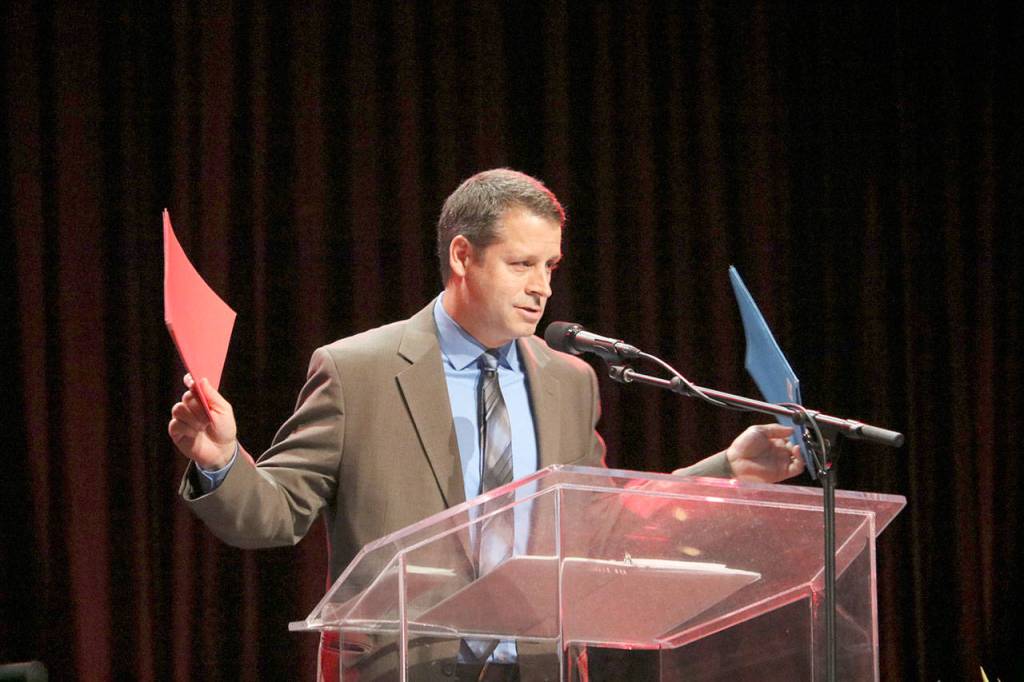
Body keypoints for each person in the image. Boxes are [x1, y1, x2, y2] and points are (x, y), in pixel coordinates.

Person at [168, 169, 805, 680]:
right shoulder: (356, 370)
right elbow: (275, 514)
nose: (542, 288)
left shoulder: (568, 380)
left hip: (540, 664)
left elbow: (601, 522)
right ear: (463, 256)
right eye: (522, 264)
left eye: (550, 267)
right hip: (405, 666)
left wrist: (730, 468)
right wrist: (221, 460)